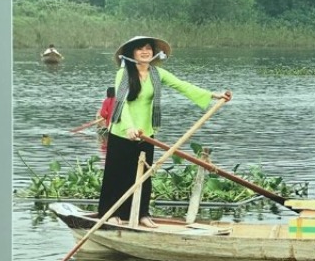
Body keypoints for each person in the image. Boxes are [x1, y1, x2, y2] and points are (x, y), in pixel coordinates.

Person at [97, 36, 232, 228]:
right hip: (122, 131)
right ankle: (111, 213)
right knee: (117, 174)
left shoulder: (156, 73)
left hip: (146, 132)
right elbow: (122, 103)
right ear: (132, 53)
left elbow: (182, 85)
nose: (145, 52)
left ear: (153, 53)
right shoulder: (124, 74)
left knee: (144, 174)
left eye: (148, 49)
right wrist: (129, 128)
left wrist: (213, 95)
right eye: (140, 49)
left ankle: (142, 213)